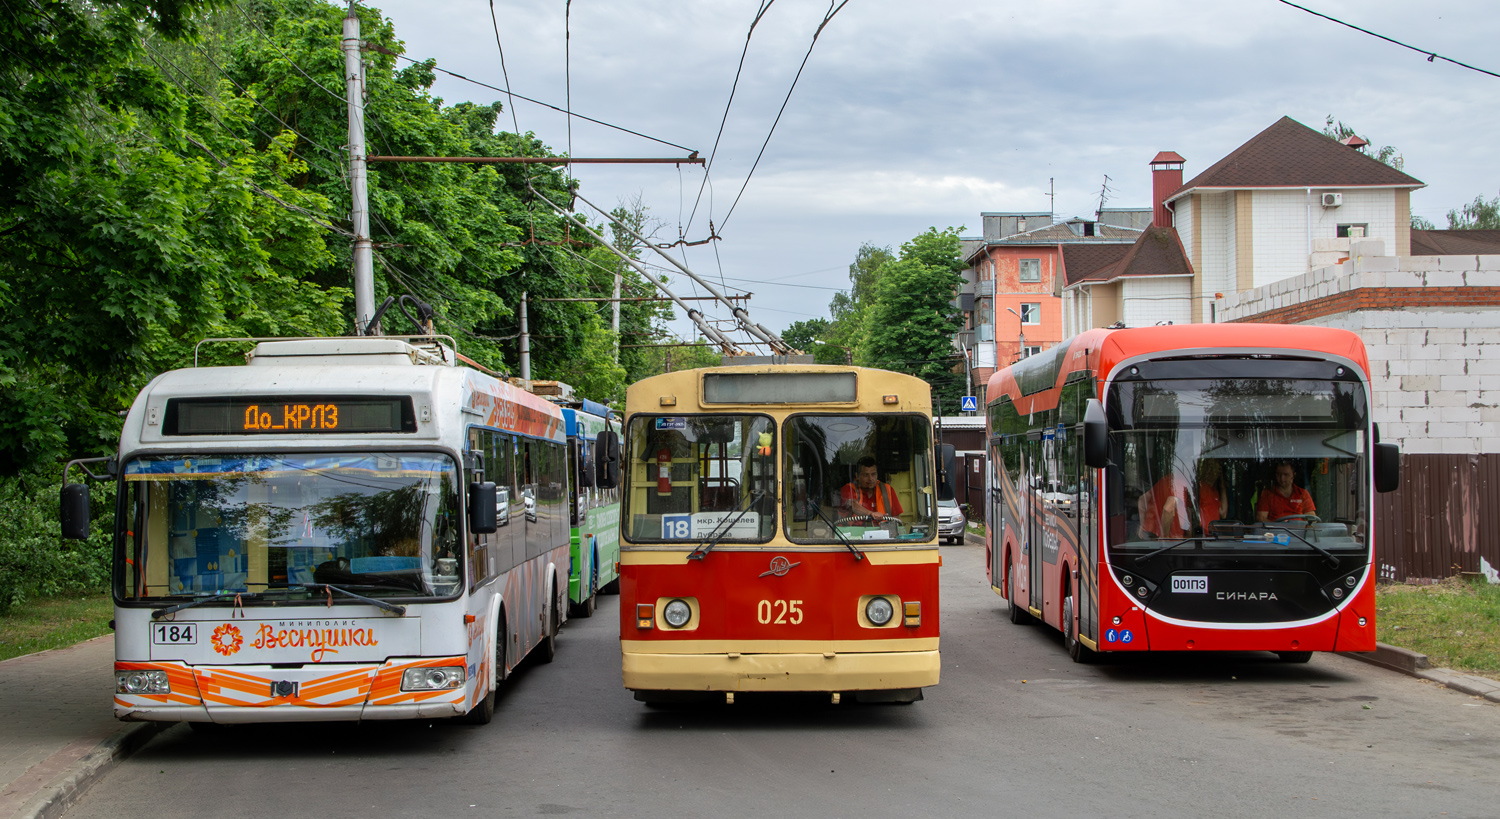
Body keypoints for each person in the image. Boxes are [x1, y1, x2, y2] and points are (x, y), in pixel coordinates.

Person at [1138, 459, 1228, 539]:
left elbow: (1142, 500)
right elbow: (1169, 507)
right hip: (1174, 539)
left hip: (1156, 535)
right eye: (1212, 470)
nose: (1213, 473)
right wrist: (1164, 536)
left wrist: (1142, 525)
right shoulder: (1194, 486)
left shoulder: (1167, 480)